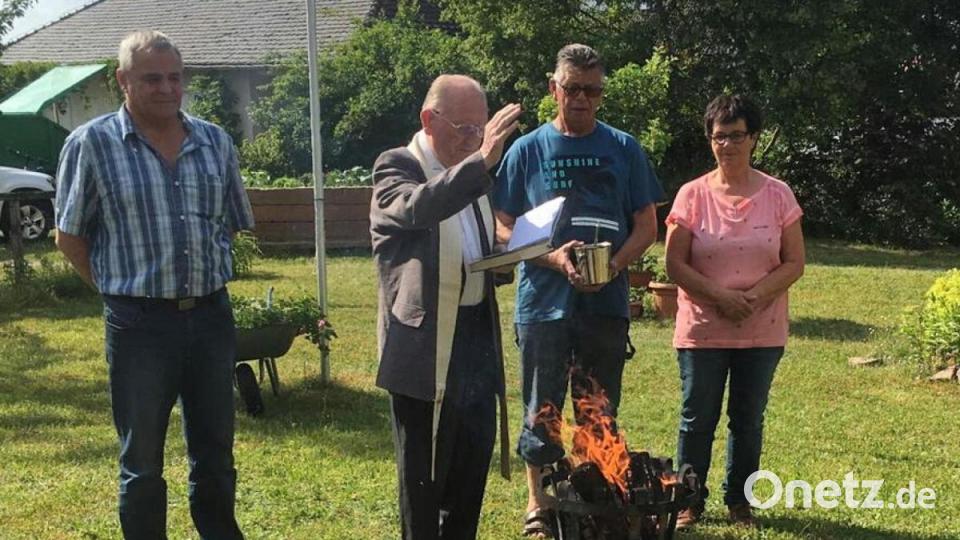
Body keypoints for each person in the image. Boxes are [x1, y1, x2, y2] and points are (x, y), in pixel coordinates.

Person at [55, 30, 253, 539]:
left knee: (216, 451)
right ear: (122, 81)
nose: (167, 88)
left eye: (175, 77)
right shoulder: (92, 144)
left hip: (210, 316)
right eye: (151, 79)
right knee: (142, 459)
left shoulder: (215, 141)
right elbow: (70, 235)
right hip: (138, 323)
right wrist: (117, 289)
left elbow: (230, 223)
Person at [493, 44, 663, 538]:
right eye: (573, 88)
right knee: (541, 407)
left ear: (601, 95)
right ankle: (538, 503)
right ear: (554, 89)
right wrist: (551, 258)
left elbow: (647, 224)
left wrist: (615, 266)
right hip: (542, 304)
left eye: (592, 90)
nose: (582, 98)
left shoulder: (625, 148)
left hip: (604, 306)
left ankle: (590, 500)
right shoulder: (527, 150)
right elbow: (502, 229)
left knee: (598, 407)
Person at [370, 75, 522, 540]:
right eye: (463, 128)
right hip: (424, 347)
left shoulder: (470, 170)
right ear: (428, 120)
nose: (474, 139)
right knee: (424, 481)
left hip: (475, 337)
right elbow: (416, 209)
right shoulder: (397, 165)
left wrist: (518, 249)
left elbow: (474, 243)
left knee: (470, 468)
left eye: (480, 129)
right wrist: (481, 161)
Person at [665, 94, 805, 529]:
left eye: (737, 135)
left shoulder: (779, 194)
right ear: (710, 141)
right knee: (696, 419)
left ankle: (740, 501)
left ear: (754, 139)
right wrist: (720, 297)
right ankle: (688, 501)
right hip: (703, 328)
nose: (727, 145)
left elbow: (794, 262)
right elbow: (674, 263)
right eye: (719, 137)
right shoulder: (691, 195)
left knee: (748, 419)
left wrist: (755, 296)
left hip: (761, 330)